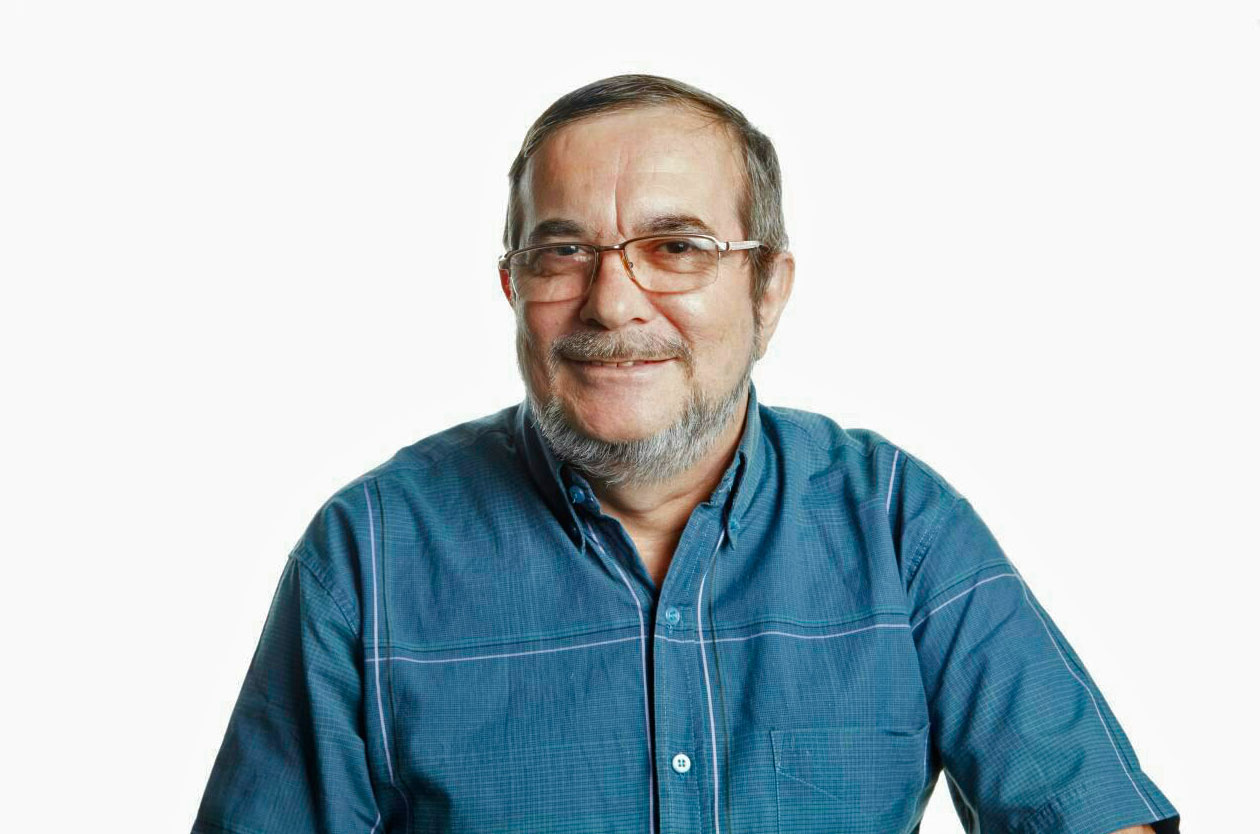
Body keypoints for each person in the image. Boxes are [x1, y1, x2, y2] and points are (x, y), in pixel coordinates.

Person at [192, 74, 1180, 834]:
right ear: (512, 289)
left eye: (677, 247)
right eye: (564, 252)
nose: (613, 302)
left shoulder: (894, 521)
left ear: (769, 288)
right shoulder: (367, 552)